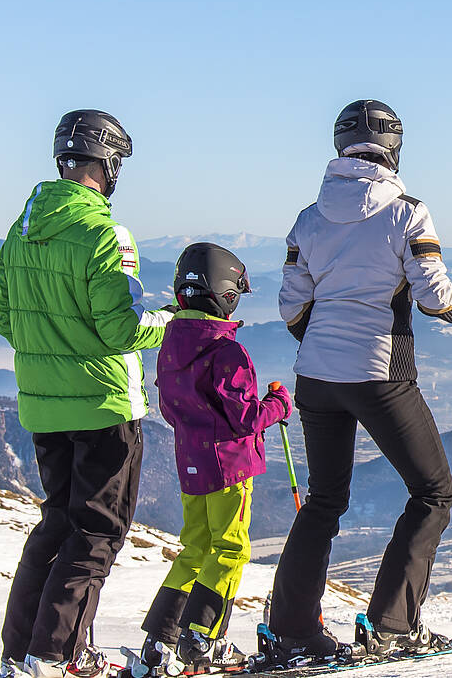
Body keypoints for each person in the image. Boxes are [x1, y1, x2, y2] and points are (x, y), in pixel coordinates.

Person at [266, 99, 452, 663]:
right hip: (380, 373)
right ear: (394, 147)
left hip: (316, 377)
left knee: (324, 500)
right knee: (434, 493)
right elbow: (434, 298)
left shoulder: (309, 218)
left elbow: (289, 307)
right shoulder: (408, 212)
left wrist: (324, 341)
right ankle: (392, 626)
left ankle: (291, 629)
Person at [0, 110, 171, 678]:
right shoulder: (105, 235)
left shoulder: (19, 233)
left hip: (43, 405)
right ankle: (55, 656)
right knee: (96, 532)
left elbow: (5, 320)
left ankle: (20, 651)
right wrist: (169, 322)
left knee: (56, 524)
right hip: (103, 406)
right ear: (108, 163)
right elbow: (121, 329)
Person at [131, 243, 293, 677]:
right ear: (226, 295)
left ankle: (159, 640)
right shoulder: (227, 352)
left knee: (195, 547)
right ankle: (204, 638)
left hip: (191, 463)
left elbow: (169, 409)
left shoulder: (171, 347)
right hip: (230, 467)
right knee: (230, 548)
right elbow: (246, 419)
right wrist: (278, 403)